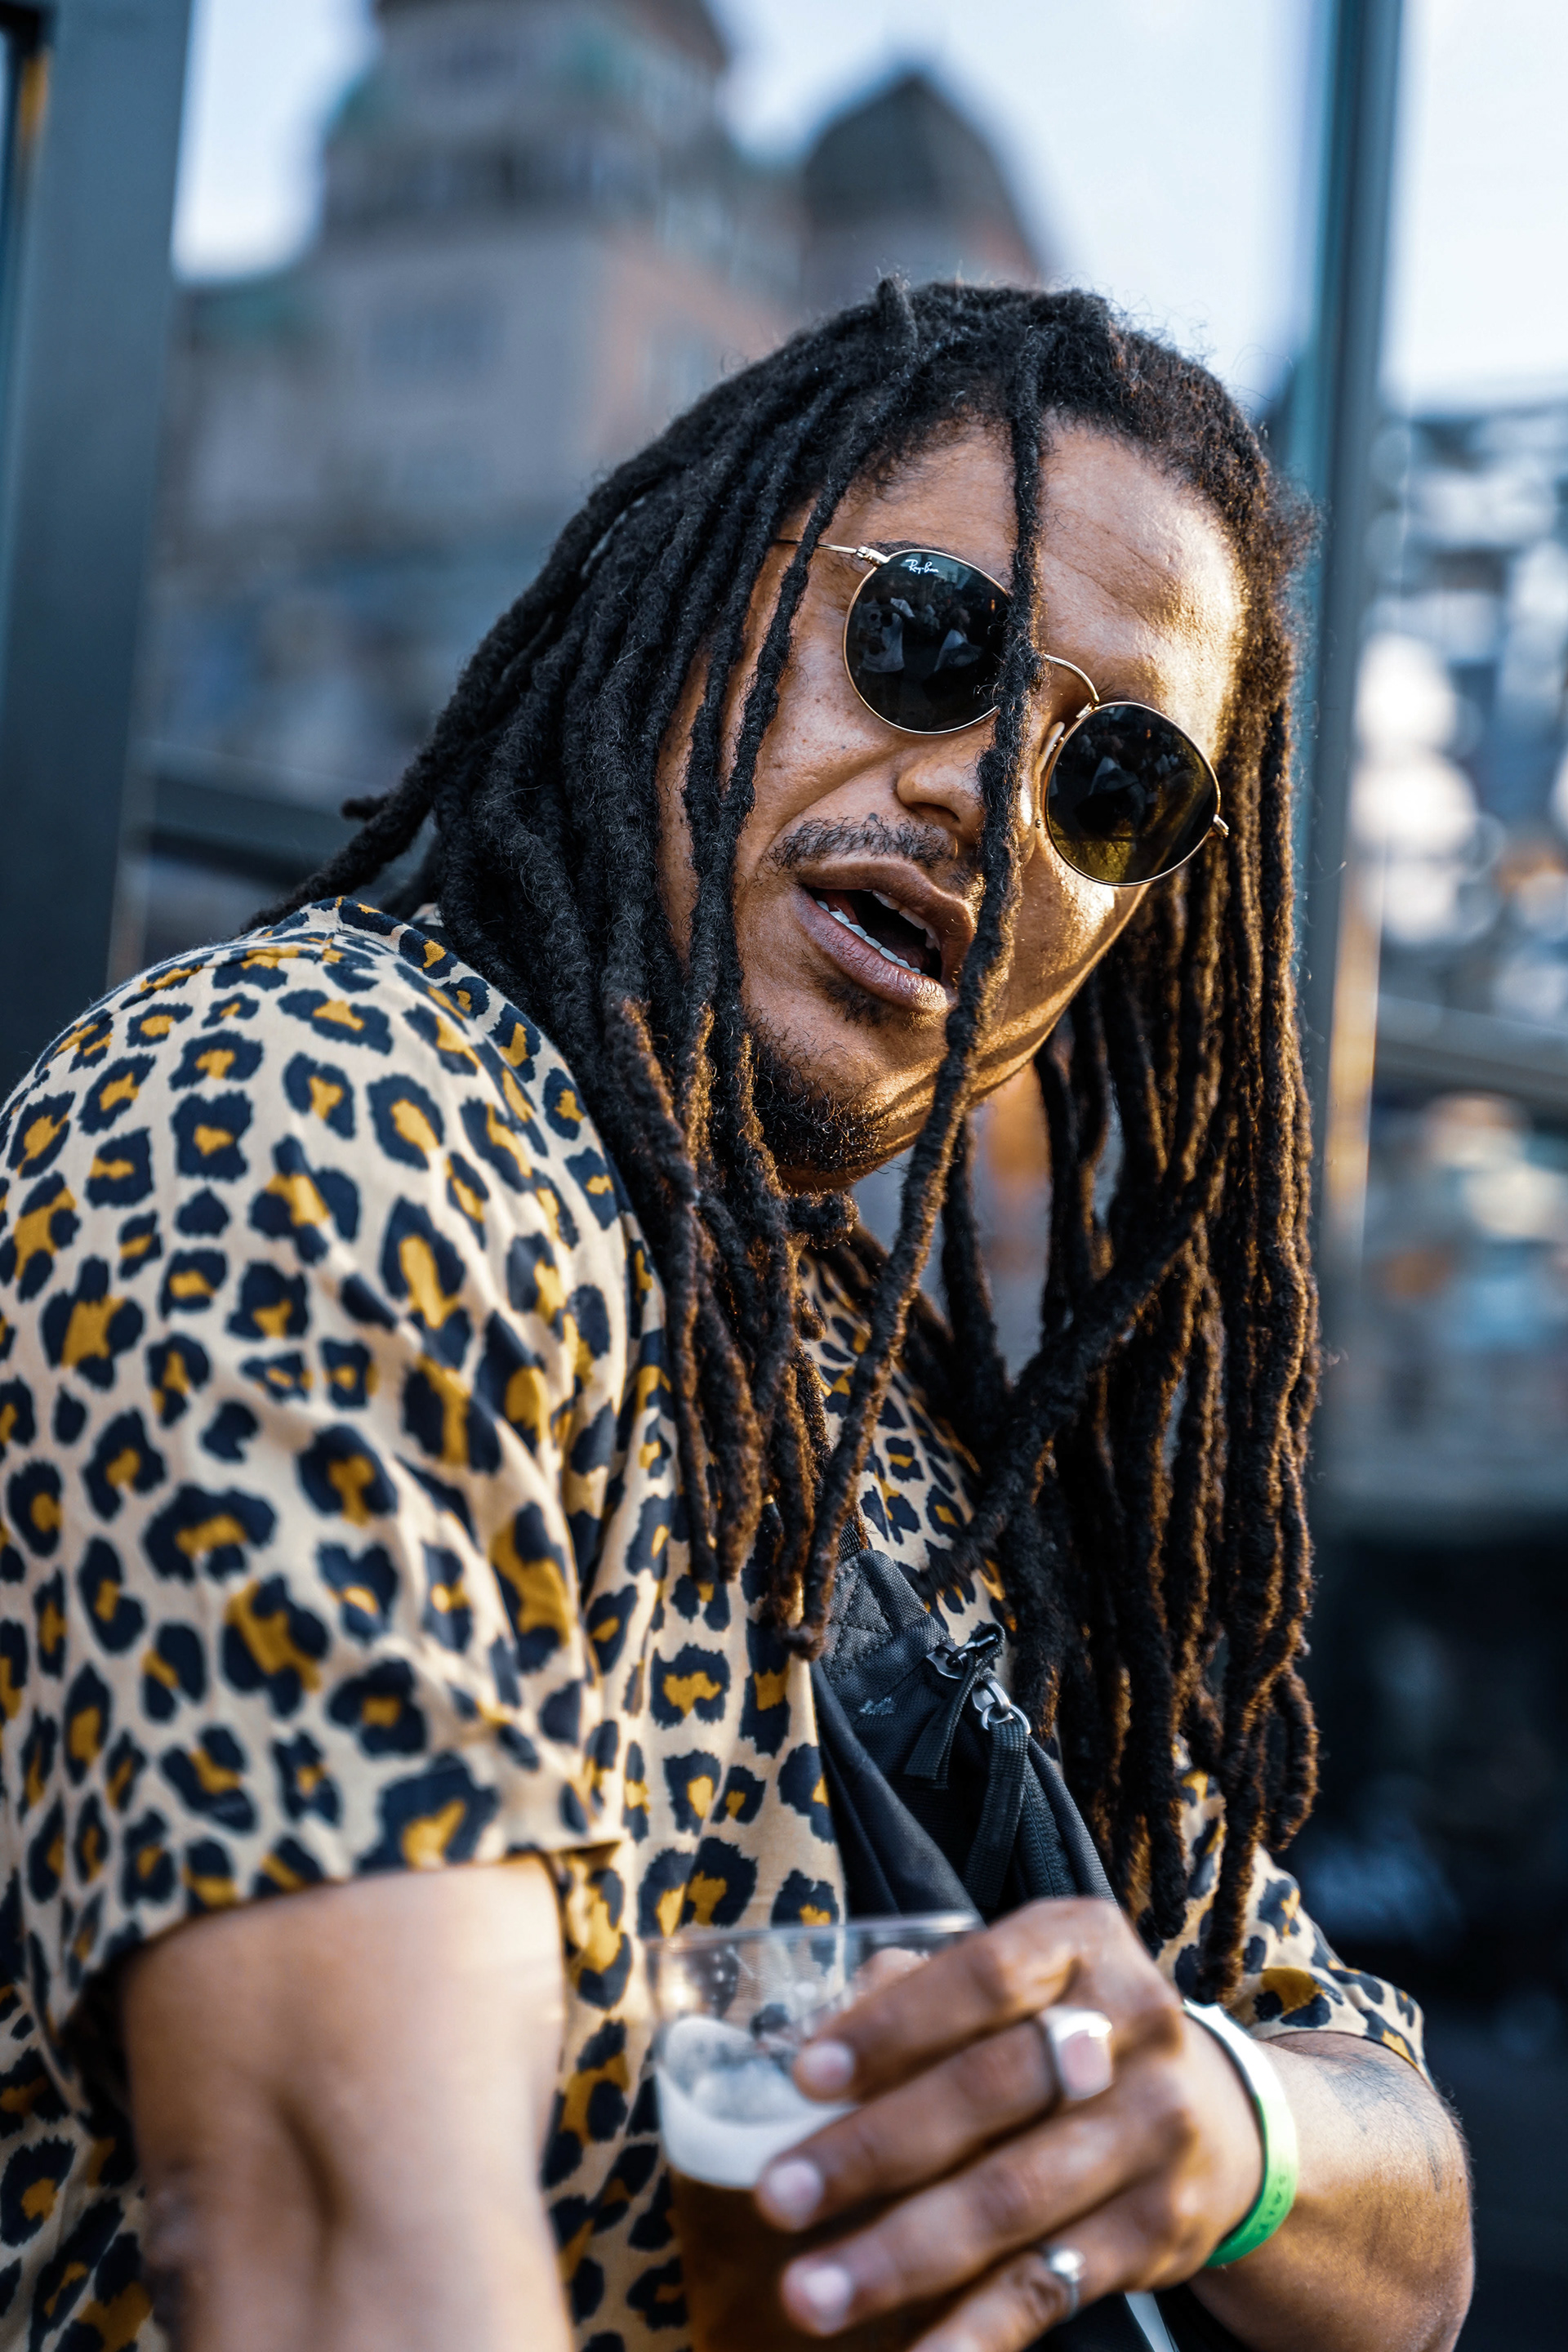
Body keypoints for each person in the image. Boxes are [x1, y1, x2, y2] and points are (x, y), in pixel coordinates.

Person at [0, 283, 1471, 2352]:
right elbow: (340, 2254)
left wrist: (1220, 2125)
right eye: (933, 641)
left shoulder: (881, 1405)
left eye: (1118, 783)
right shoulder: (307, 1121)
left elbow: (1413, 2221)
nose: (993, 801)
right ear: (702, 593)